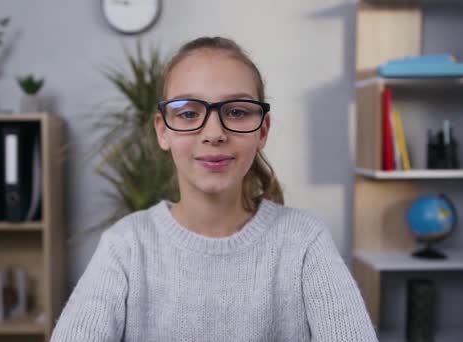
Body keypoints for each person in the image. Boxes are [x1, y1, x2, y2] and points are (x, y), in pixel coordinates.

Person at [50, 37, 378, 341]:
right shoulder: (126, 246)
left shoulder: (305, 241)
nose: (214, 133)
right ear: (163, 131)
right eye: (189, 112)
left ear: (262, 131)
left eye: (236, 112)